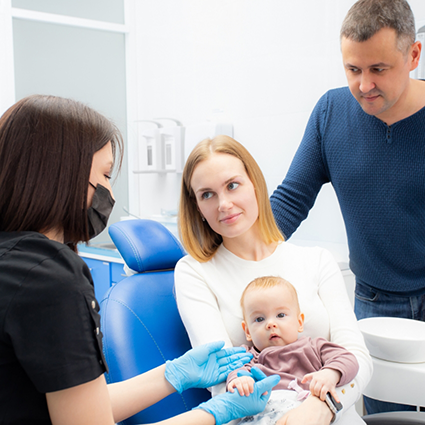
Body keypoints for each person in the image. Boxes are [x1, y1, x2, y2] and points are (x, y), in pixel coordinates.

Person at [0, 94, 280, 425]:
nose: (111, 195)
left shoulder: (16, 263)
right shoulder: (49, 277)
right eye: (104, 176)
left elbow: (82, 405)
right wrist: (213, 414)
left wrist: (173, 374)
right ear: (62, 176)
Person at [269, 0, 425, 415]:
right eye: (353, 70)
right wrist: (233, 253)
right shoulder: (331, 112)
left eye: (378, 69)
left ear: (413, 55)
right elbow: (289, 200)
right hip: (375, 301)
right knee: (383, 414)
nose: (364, 85)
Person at [175, 134, 372, 425]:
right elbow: (220, 377)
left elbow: (358, 358)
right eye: (207, 194)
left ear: (254, 183)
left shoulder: (316, 260)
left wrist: (323, 408)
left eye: (232, 185)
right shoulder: (194, 272)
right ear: (197, 208)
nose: (224, 204)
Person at [227, 276, 359, 424]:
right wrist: (241, 381)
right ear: (248, 332)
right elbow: (234, 373)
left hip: (311, 413)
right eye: (259, 319)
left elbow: (348, 360)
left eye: (280, 315)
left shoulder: (314, 346)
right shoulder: (249, 356)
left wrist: (330, 373)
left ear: (299, 322)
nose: (270, 324)